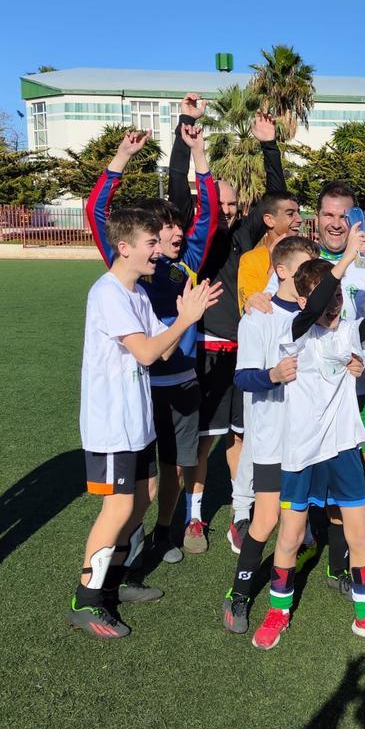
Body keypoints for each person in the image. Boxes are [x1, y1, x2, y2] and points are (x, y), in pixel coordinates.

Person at [67, 207, 221, 639]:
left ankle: (115, 583)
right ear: (125, 247)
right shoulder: (109, 293)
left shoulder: (136, 293)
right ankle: (87, 599)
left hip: (137, 423)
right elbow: (148, 354)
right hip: (111, 424)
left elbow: (165, 348)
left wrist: (184, 314)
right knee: (117, 508)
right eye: (150, 243)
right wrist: (187, 320)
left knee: (143, 497)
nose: (159, 250)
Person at [250, 229, 365, 650]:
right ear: (301, 300)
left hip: (344, 448)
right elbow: (314, 306)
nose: (331, 305)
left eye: (336, 298)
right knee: (290, 536)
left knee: (357, 535)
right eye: (322, 298)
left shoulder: (347, 332)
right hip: (301, 451)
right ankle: (278, 612)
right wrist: (345, 259)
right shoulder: (292, 330)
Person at [84, 127, 220, 566]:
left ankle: (165, 533)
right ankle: (129, 548)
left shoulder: (187, 265)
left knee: (173, 469)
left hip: (180, 382)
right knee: (137, 486)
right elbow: (96, 209)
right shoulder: (126, 270)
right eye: (165, 228)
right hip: (140, 389)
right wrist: (121, 156)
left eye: (179, 226)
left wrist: (200, 153)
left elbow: (209, 216)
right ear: (145, 238)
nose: (176, 233)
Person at [169, 96, 282, 550]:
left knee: (241, 435)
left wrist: (270, 147)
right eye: (220, 203)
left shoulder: (244, 233)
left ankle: (240, 511)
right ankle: (193, 517)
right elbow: (179, 185)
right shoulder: (194, 237)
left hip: (246, 351)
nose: (228, 210)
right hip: (206, 348)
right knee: (202, 439)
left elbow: (278, 200)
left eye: (234, 205)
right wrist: (186, 127)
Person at [223, 236, 320, 634]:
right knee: (264, 521)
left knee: (295, 525)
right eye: (303, 268)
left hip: (307, 439)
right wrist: (273, 375)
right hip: (271, 439)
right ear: (281, 272)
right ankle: (239, 595)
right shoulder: (258, 316)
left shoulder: (314, 314)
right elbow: (243, 377)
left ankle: (283, 598)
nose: (313, 276)